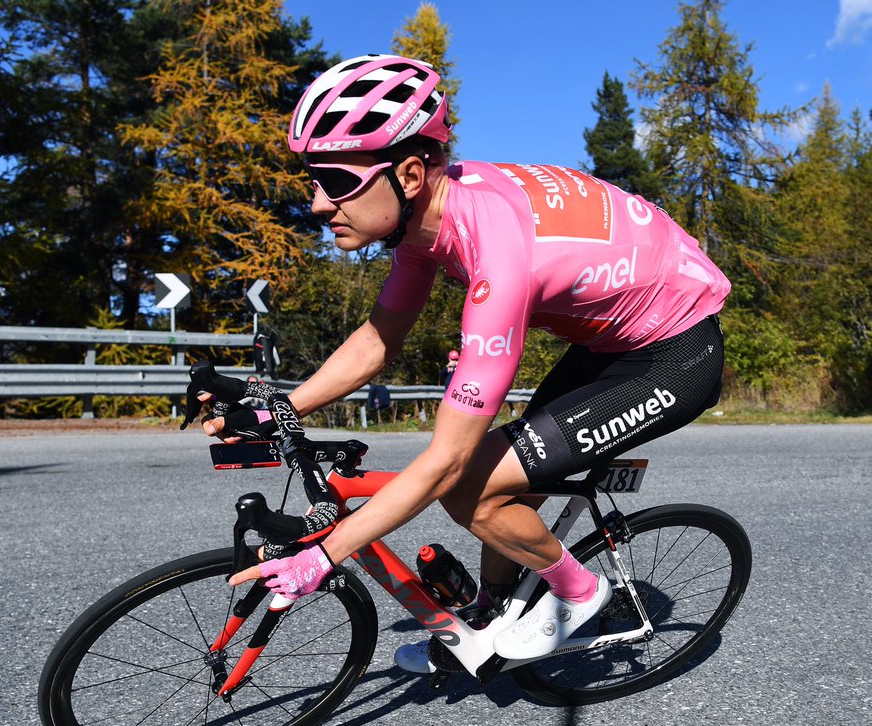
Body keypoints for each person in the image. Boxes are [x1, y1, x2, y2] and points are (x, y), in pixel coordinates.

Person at [200, 54, 730, 671]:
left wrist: (324, 555)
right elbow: (379, 337)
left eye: (337, 182)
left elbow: (446, 461)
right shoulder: (429, 222)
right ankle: (489, 617)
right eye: (312, 182)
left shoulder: (497, 252)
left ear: (410, 173)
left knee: (469, 487)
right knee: (506, 476)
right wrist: (281, 409)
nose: (318, 204)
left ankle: (581, 592)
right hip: (608, 341)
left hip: (674, 355)